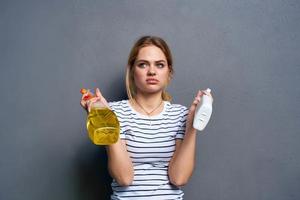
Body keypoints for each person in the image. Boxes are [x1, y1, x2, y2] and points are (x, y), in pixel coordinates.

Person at [80, 35, 214, 200]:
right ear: (132, 71)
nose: (152, 71)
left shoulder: (181, 115)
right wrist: (105, 121)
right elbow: (124, 178)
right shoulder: (113, 112)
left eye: (160, 65)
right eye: (143, 64)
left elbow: (179, 178)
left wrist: (192, 126)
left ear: (169, 73)